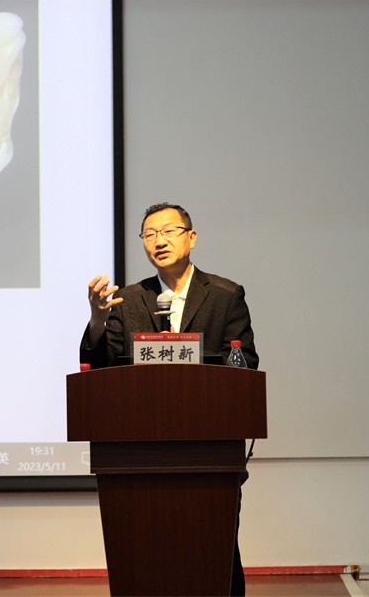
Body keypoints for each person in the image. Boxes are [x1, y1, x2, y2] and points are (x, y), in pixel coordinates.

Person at [80, 202, 258, 596]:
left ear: (191, 238)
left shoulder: (225, 295)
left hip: (210, 450)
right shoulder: (127, 300)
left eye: (168, 231)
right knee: (144, 553)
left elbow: (245, 364)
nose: (159, 241)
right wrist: (97, 320)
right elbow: (102, 368)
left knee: (216, 551)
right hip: (139, 454)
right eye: (149, 234)